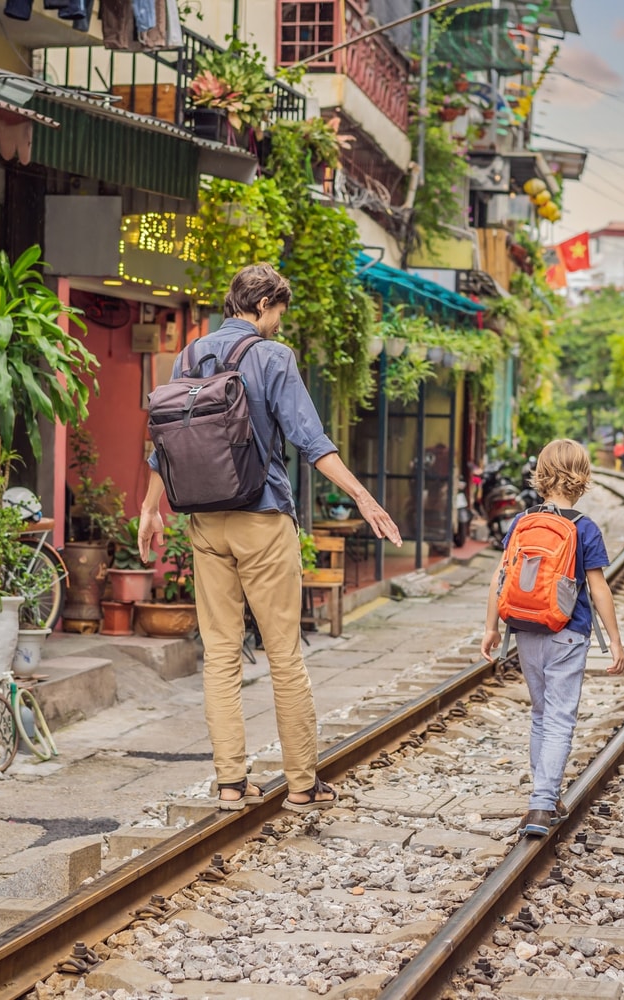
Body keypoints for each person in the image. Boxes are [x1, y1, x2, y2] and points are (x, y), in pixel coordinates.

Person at [138, 264, 402, 813]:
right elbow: (312, 441)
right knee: (284, 655)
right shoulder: (272, 356)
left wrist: (149, 506)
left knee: (220, 656)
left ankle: (231, 784)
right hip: (262, 518)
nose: (279, 322)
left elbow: (167, 438)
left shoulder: (188, 356)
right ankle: (303, 784)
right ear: (261, 305)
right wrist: (363, 497)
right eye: (279, 311)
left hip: (204, 520)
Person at [480, 438, 624, 837]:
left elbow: (500, 577)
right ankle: (542, 805)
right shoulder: (584, 528)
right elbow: (599, 590)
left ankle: (546, 795)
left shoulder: (522, 520)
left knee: (542, 715)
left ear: (541, 475)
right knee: (560, 718)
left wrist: (491, 627)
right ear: (582, 478)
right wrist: (614, 640)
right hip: (567, 632)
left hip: (525, 630)